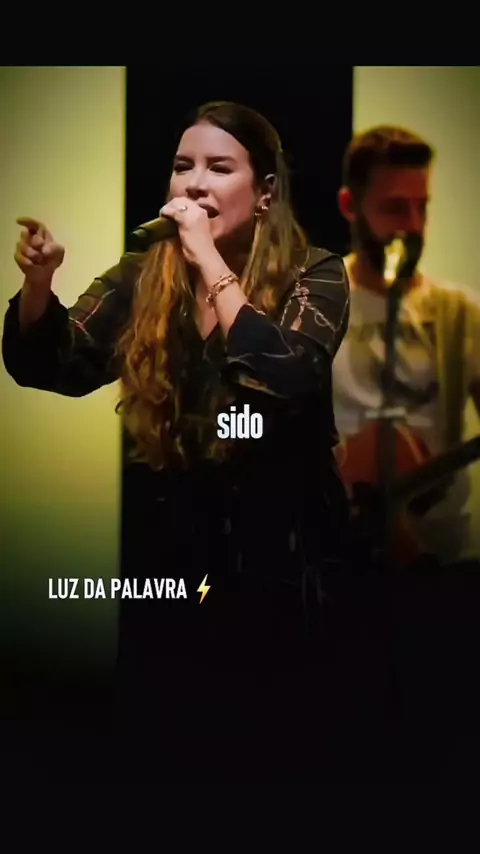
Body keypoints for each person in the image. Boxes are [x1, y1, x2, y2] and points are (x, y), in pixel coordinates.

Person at [2, 101, 353, 781]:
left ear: (264, 192)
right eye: (182, 166)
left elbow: (289, 374)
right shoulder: (143, 273)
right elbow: (53, 365)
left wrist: (209, 262)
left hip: (285, 558)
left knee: (281, 765)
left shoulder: (315, 272)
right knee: (166, 761)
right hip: (174, 557)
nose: (193, 183)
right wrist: (38, 284)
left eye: (219, 168)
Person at [333, 125, 480, 569]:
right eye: (396, 208)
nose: (414, 227)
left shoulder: (459, 313)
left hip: (443, 562)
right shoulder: (314, 305)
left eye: (423, 208)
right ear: (350, 207)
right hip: (336, 560)